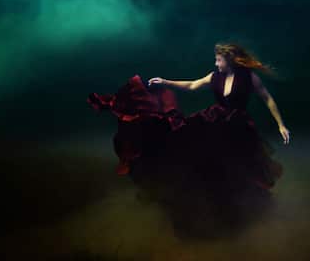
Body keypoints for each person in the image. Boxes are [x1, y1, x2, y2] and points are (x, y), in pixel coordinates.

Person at [87, 42, 291, 236]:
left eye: (218, 59)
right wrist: (166, 82)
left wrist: (281, 124)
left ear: (229, 60)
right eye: (216, 59)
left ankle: (239, 206)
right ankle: (204, 203)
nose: (215, 63)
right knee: (194, 150)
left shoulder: (249, 77)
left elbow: (267, 98)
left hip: (238, 126)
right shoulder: (214, 76)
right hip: (216, 118)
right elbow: (193, 85)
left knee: (237, 165)